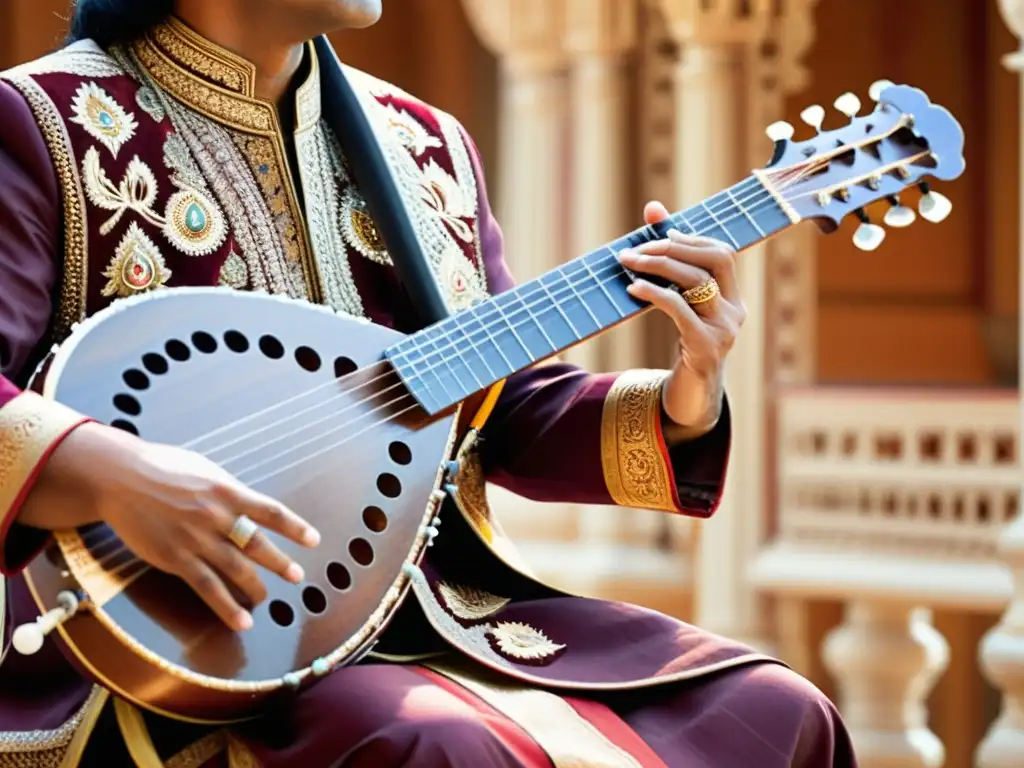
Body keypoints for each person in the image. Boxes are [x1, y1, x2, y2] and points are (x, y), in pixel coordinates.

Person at [0, 0, 857, 765]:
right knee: (441, 744)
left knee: (777, 710)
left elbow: (500, 409)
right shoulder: (42, 122)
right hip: (175, 636)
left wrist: (688, 391)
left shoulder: (427, 144)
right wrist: (116, 475)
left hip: (442, 605)